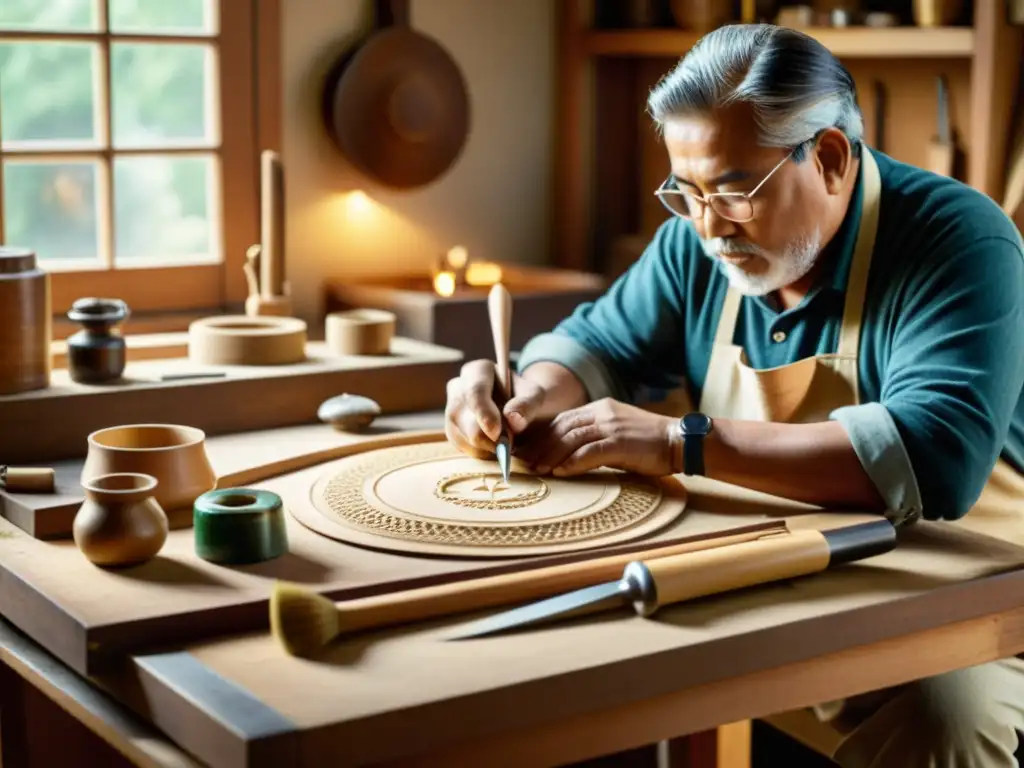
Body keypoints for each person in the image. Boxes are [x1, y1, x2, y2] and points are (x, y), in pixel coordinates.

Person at [443, 22, 1024, 768]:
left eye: (732, 191)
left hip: (964, 588)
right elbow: (599, 348)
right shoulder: (696, 239)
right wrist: (523, 394)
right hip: (773, 563)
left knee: (942, 714)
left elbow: (935, 457)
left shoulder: (956, 240)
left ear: (832, 159)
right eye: (684, 191)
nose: (710, 228)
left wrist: (676, 442)